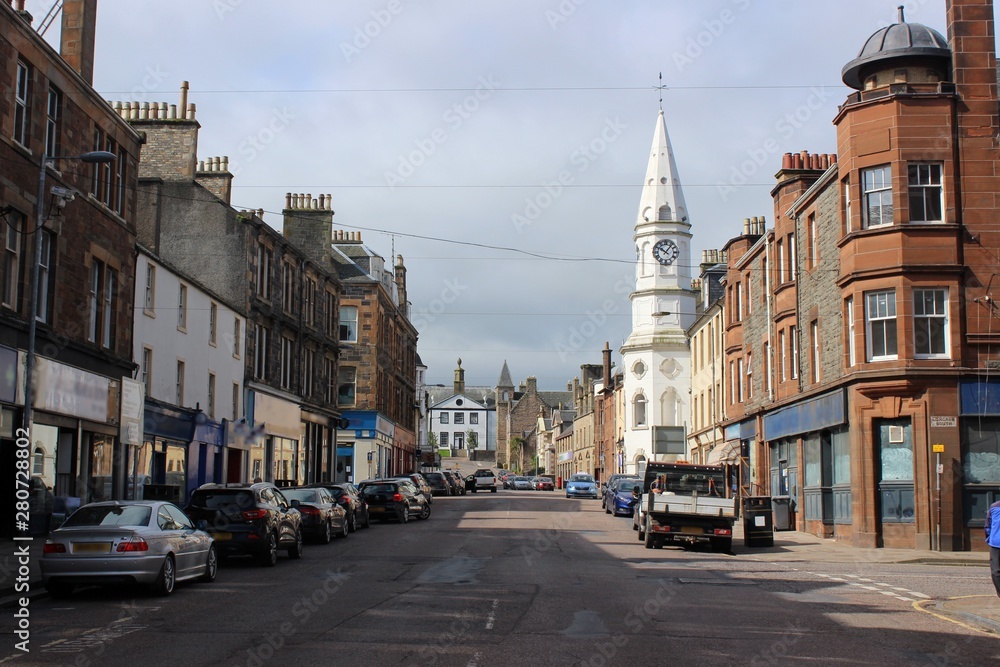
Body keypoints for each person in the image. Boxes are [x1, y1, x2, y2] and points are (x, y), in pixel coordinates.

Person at [987, 497, 1000, 597]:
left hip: (996, 543)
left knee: (996, 570)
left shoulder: (994, 507)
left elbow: (988, 526)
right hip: (996, 542)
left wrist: (989, 538)